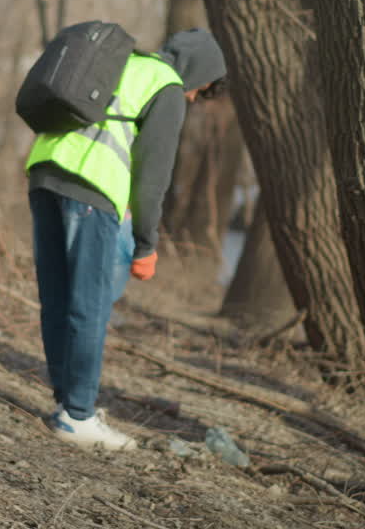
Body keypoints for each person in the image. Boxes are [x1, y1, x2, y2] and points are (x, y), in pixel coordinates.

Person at [25, 28, 227, 450]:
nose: (193, 99)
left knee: (58, 296)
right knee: (89, 303)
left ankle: (67, 403)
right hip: (91, 187)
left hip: (44, 172)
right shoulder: (167, 86)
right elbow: (153, 179)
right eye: (200, 91)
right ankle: (78, 415)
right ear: (196, 74)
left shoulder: (125, 63)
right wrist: (147, 244)